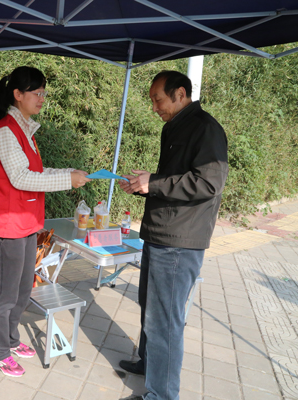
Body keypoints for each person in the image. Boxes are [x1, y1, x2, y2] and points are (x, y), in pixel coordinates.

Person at [117, 70, 228, 400]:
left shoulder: (206, 129)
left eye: (158, 100)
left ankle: (162, 394)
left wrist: (154, 182)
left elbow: (208, 183)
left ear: (180, 94)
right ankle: (149, 364)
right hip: (160, 233)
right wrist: (145, 185)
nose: (154, 107)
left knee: (164, 320)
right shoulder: (176, 126)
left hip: (179, 240)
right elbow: (174, 181)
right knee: (149, 308)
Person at [0, 66, 91, 377]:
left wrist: (69, 174)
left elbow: (37, 173)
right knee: (5, 294)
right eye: (37, 92)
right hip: (6, 226)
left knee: (22, 290)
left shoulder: (24, 130)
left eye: (44, 93)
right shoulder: (6, 131)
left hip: (25, 224)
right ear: (18, 95)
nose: (42, 98)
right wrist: (67, 180)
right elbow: (21, 178)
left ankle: (10, 339)